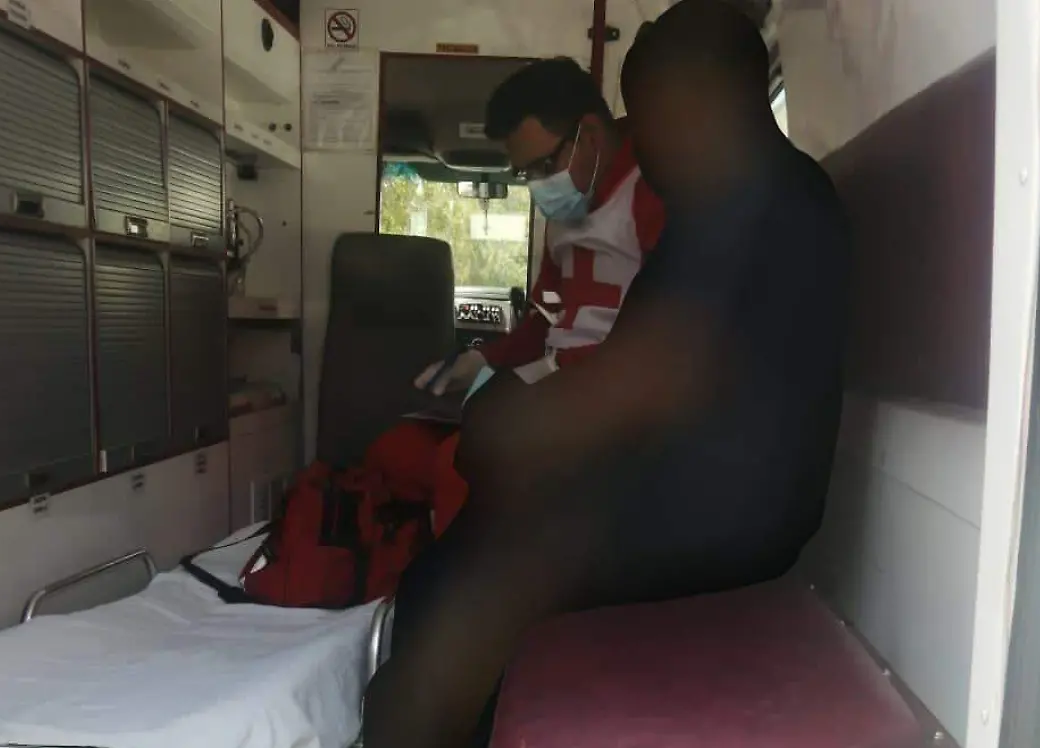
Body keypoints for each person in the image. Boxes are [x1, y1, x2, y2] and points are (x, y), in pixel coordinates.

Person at [362, 2, 852, 747]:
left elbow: (646, 379)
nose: (643, 148)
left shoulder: (752, 207)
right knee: (459, 559)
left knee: (466, 591)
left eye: (649, 120)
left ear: (706, 102)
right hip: (706, 490)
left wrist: (505, 429)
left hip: (720, 515)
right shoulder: (751, 202)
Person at [414, 56, 665, 394]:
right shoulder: (565, 215)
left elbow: (670, 336)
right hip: (566, 389)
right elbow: (546, 318)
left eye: (544, 166)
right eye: (525, 173)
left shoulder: (655, 190)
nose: (538, 186)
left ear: (590, 136)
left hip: (621, 397)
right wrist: (483, 360)